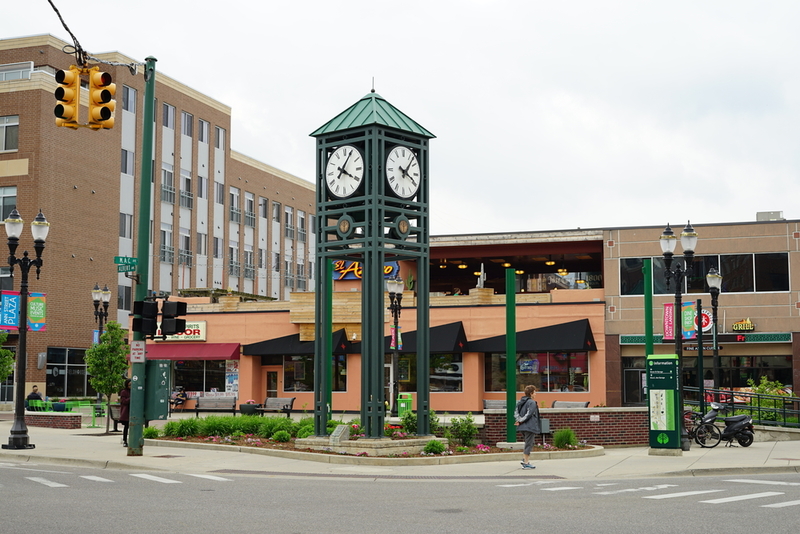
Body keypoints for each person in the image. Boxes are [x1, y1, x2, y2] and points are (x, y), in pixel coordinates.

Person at [514, 384, 541, 469]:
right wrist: (522, 420)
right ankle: (526, 462)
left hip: (522, 427)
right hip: (530, 426)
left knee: (528, 443)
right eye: (534, 392)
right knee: (529, 444)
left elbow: (516, 412)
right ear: (531, 393)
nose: (536, 394)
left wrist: (519, 420)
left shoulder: (521, 401)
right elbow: (529, 414)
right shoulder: (532, 402)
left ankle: (524, 458)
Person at [119, 379, 131, 447]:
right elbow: (124, 401)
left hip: (133, 411)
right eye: (129, 385)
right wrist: (130, 398)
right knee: (126, 427)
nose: (131, 386)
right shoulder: (124, 392)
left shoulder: (135, 391)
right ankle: (125, 440)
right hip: (126, 412)